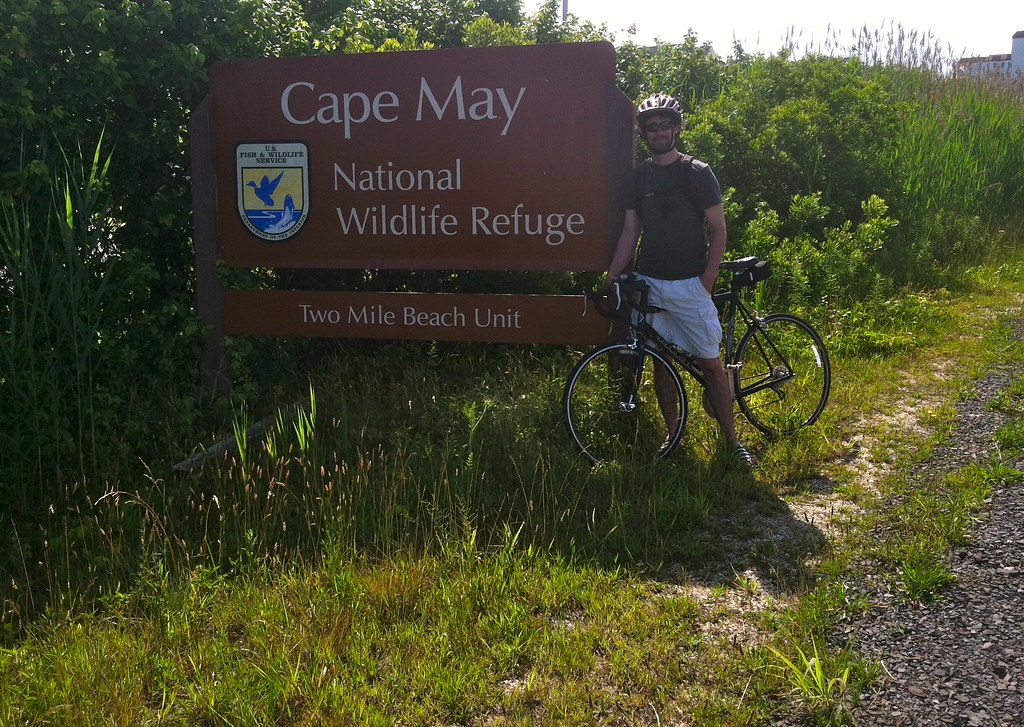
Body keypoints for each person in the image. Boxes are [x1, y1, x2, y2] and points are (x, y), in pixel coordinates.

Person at [605, 93, 757, 467]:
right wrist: (612, 276)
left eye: (664, 125)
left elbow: (718, 229)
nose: (658, 132)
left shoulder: (697, 173)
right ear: (644, 132)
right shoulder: (638, 178)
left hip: (690, 282)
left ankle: (733, 442)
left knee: (710, 364)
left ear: (676, 128)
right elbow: (630, 232)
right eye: (651, 127)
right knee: (661, 362)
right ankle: (673, 437)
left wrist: (706, 281)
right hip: (651, 281)